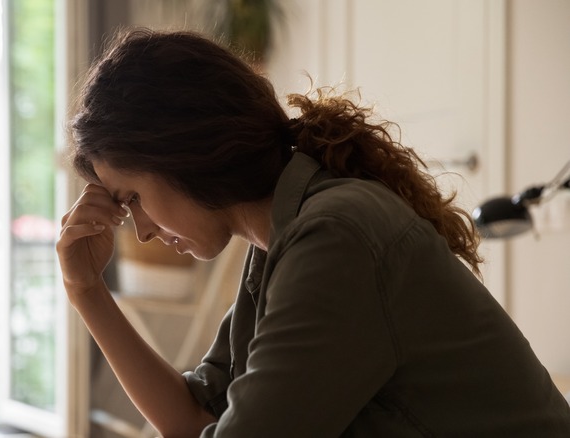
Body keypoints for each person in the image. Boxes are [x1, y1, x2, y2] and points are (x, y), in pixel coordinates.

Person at [57, 28, 570, 437]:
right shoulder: (280, 241)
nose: (140, 232)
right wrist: (87, 291)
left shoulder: (334, 237)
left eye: (133, 199)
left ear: (182, 153)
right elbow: (192, 418)